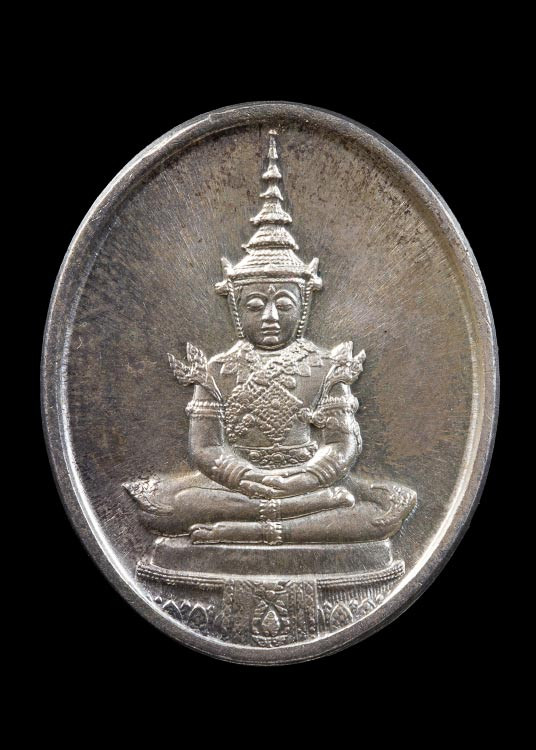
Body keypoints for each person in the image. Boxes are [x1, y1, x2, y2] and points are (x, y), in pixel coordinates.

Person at [124, 131, 416, 545]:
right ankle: (286, 521)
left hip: (311, 484)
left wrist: (303, 478)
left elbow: (341, 445)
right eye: (256, 304)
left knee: (380, 508)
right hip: (237, 488)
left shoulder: (327, 367)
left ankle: (257, 526)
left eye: (284, 303)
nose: (271, 316)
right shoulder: (216, 369)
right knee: (173, 505)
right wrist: (247, 477)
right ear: (236, 307)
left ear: (305, 304)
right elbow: (205, 448)